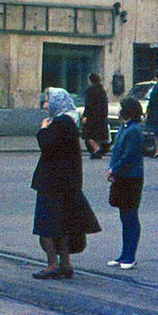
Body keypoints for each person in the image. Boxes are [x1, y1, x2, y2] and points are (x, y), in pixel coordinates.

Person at [30, 87, 101, 280]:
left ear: (56, 103)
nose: (44, 105)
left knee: (46, 226)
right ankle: (65, 263)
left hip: (52, 183)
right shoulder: (67, 123)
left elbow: (48, 147)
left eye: (46, 101)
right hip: (63, 183)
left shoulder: (60, 124)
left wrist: (42, 130)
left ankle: (53, 263)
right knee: (61, 226)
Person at [106, 97, 145, 270]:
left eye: (122, 108)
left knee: (130, 217)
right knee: (124, 217)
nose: (119, 110)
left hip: (131, 177)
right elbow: (116, 152)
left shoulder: (134, 130)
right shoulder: (124, 127)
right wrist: (112, 169)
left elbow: (130, 155)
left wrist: (114, 169)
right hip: (122, 176)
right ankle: (124, 254)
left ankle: (130, 256)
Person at [81, 73, 110, 159]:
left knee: (88, 135)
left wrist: (85, 115)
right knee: (97, 135)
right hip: (101, 116)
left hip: (92, 116)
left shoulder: (90, 90)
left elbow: (88, 105)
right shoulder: (102, 90)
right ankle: (97, 148)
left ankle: (96, 149)